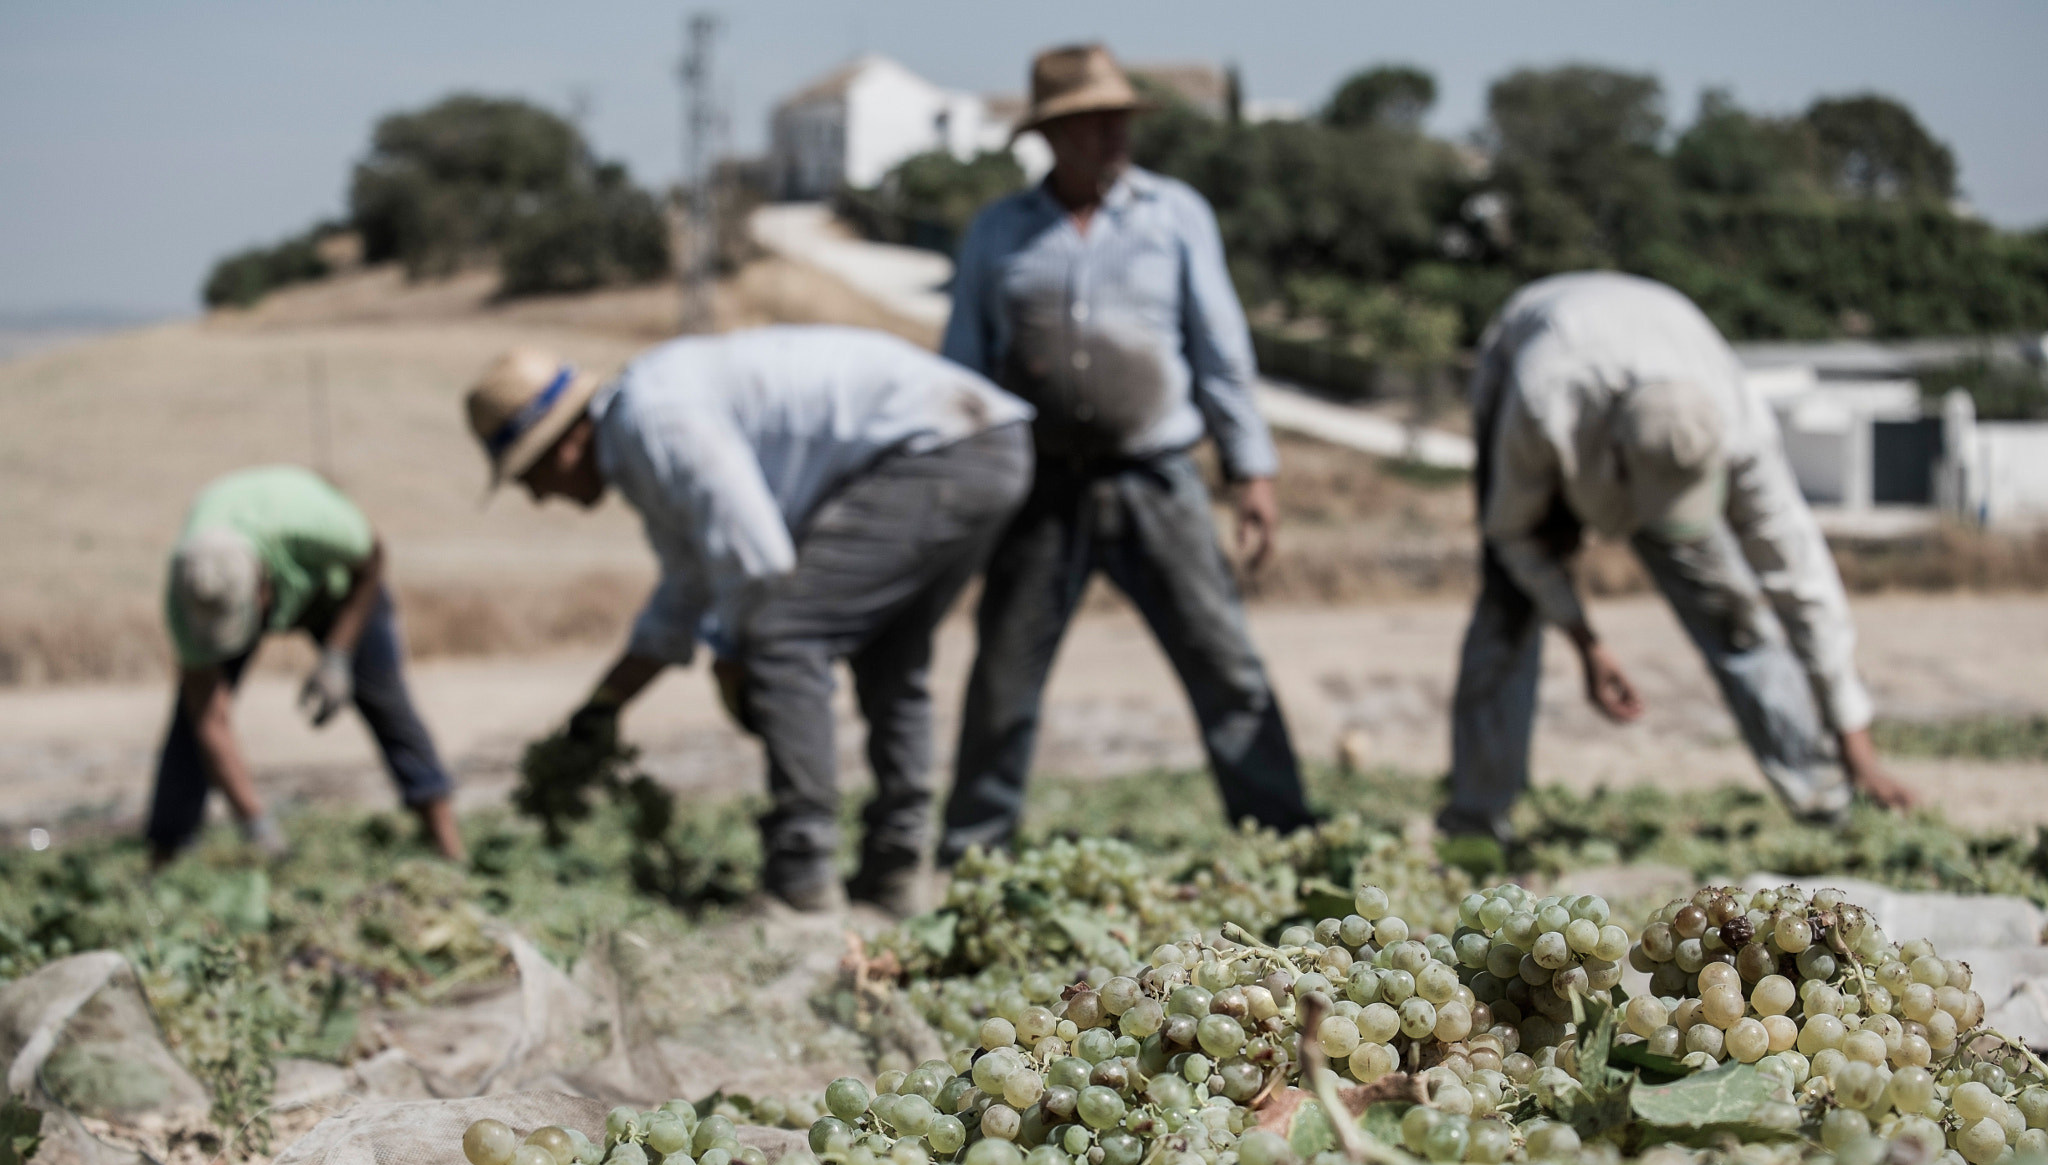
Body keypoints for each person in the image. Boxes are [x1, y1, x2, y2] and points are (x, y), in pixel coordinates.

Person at [463, 327, 1034, 915]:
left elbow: (757, 563)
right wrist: (607, 703)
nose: (538, 498)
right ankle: (894, 872)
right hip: (980, 443)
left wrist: (735, 657)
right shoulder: (643, 432)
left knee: (785, 635)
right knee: (888, 651)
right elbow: (688, 587)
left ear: (561, 446)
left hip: (944, 450)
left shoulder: (657, 420)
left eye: (530, 477)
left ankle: (801, 876)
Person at [937, 43, 1313, 862]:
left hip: (1157, 477)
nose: (1113, 135)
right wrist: (958, 484)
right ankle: (972, 852)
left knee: (1225, 665)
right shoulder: (999, 232)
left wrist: (1251, 468)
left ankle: (1287, 840)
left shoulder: (1175, 215)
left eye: (1119, 119)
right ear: (1052, 133)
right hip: (1039, 487)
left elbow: (1220, 350)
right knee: (1003, 679)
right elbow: (963, 365)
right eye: (1092, 122)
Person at [1442, 271, 1914, 843]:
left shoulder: (1741, 431)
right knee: (1508, 608)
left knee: (1734, 609)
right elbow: (1513, 535)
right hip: (1531, 345)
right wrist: (1587, 642)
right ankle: (1477, 822)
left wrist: (1857, 747)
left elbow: (1802, 582)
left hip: (1663, 337)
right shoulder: (1545, 407)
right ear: (1616, 461)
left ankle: (1825, 799)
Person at [146, 466, 463, 865]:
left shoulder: (315, 528)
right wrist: (255, 823)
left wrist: (338, 654)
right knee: (191, 725)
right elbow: (212, 719)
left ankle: (450, 848)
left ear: (261, 589)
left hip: (337, 589)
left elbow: (373, 559)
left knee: (387, 700)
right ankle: (164, 861)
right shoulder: (190, 595)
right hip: (239, 581)